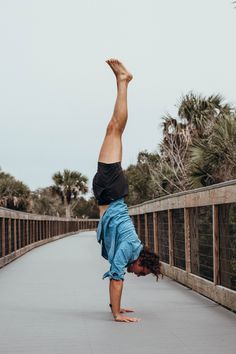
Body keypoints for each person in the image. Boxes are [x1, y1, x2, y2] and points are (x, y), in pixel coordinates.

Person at [93, 59, 161, 323]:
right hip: (110, 191)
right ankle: (123, 81)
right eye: (141, 272)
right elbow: (117, 280)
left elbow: (118, 279)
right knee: (115, 129)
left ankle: (122, 82)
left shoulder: (130, 249)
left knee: (114, 130)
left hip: (109, 192)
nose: (136, 274)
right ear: (141, 260)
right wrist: (117, 313)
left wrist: (118, 306)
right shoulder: (130, 249)